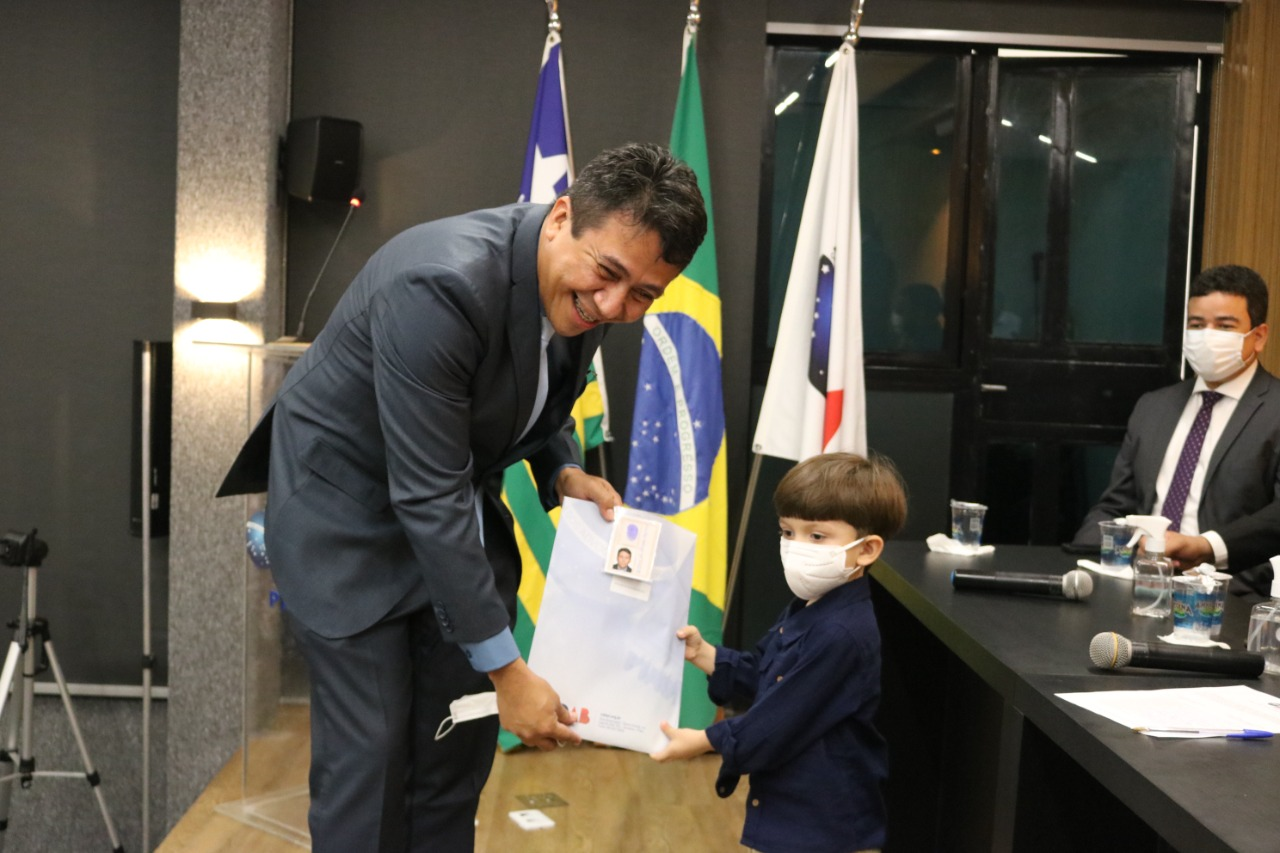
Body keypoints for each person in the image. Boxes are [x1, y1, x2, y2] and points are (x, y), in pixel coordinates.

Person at [216, 142, 706, 852]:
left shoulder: (586, 287)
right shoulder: (440, 283)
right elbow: (428, 491)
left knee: (453, 758)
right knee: (373, 766)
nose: (612, 306)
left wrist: (561, 470)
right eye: (607, 276)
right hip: (348, 527)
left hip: (448, 525)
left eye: (643, 295)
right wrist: (507, 668)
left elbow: (533, 390)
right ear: (562, 217)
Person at [651, 452, 907, 853]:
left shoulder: (841, 632)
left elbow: (777, 720)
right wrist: (707, 656)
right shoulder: (810, 606)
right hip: (793, 813)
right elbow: (768, 675)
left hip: (824, 826)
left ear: (867, 550)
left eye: (817, 536)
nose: (796, 547)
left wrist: (704, 739)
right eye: (788, 532)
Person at [1072, 264, 1280, 583]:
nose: (1207, 336)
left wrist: (1205, 547)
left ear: (1259, 336)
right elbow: (1114, 508)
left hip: (1228, 591)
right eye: (1197, 325)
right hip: (1136, 579)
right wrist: (1111, 548)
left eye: (1224, 326)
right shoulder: (1154, 406)